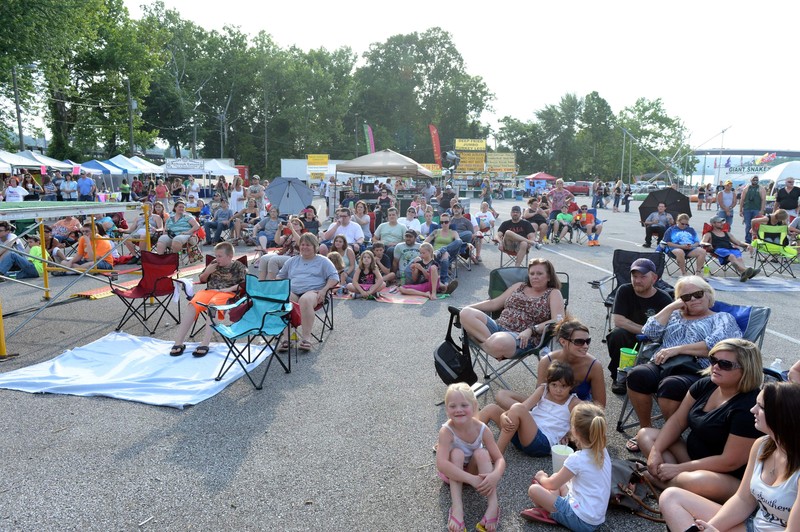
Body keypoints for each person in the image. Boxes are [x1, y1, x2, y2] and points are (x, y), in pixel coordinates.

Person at [636, 338, 764, 505]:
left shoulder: (748, 406)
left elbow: (729, 462)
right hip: (691, 458)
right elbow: (677, 421)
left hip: (725, 476)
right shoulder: (707, 384)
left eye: (725, 364)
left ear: (746, 370)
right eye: (713, 360)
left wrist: (678, 469)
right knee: (646, 435)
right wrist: (656, 452)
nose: (715, 367)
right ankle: (674, 482)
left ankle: (657, 479)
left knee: (699, 481)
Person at [660, 381, 800, 532]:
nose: (753, 410)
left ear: (781, 415)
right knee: (670, 497)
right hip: (753, 526)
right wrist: (710, 528)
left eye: (761, 407)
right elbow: (743, 500)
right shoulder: (762, 445)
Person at [625, 276, 742, 434]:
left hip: (696, 369)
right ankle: (645, 430)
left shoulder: (722, 318)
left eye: (698, 294)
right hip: (662, 363)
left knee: (670, 386)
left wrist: (678, 349)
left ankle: (670, 437)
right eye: (686, 297)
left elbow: (718, 347)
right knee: (636, 375)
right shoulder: (673, 315)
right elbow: (649, 332)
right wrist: (671, 307)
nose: (693, 299)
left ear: (708, 294)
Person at [521, 403, 611, 531]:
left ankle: (550, 513)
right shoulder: (602, 450)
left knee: (534, 490)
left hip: (581, 520)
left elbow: (551, 484)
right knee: (558, 477)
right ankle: (550, 507)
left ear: (574, 430)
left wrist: (541, 477)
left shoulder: (577, 459)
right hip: (594, 517)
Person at [460, 258, 564, 361]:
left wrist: (531, 329)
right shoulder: (519, 286)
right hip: (498, 326)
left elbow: (558, 319)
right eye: (532, 274)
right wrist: (467, 307)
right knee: (465, 313)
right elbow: (494, 303)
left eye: (539, 273)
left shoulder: (553, 293)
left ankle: (487, 344)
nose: (534, 277)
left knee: (498, 342)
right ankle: (492, 347)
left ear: (549, 276)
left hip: (521, 337)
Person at [436, 383, 505, 532]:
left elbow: (499, 459)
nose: (458, 410)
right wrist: (471, 479)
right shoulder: (446, 431)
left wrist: (495, 475)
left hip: (475, 473)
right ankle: (457, 508)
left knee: (482, 453)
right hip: (453, 473)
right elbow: (441, 464)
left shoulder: (482, 429)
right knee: (457, 453)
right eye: (452, 406)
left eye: (463, 405)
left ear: (474, 406)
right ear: (447, 409)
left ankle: (493, 505)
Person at [479, 361, 579, 456]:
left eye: (563, 386)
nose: (558, 390)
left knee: (518, 408)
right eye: (554, 385)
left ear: (571, 386)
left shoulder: (573, 402)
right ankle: (466, 442)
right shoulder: (543, 390)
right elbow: (525, 406)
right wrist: (503, 415)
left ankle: (497, 455)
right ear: (548, 383)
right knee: (491, 409)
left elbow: (587, 421)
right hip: (524, 434)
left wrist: (569, 434)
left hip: (542, 442)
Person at [168, 242, 247, 358]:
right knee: (192, 304)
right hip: (209, 291)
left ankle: (205, 343)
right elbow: (202, 279)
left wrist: (228, 289)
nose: (217, 259)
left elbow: (245, 283)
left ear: (230, 256)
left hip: (227, 293)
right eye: (216, 255)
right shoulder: (214, 264)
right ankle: (178, 342)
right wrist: (208, 271)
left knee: (213, 306)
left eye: (220, 256)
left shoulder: (239, 266)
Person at [607, 258, 673, 394]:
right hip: (629, 337)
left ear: (654, 278)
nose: (637, 280)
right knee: (616, 334)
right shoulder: (624, 290)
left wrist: (649, 334)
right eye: (634, 276)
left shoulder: (664, 299)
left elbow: (667, 330)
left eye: (643, 277)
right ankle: (619, 377)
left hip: (653, 341)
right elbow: (619, 321)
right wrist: (647, 330)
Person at [276, 233, 338, 352]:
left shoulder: (323, 261)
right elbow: (280, 277)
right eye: (302, 244)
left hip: (314, 292)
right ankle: (287, 337)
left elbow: (334, 277)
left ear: (315, 247)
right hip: (294, 291)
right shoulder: (292, 260)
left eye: (308, 245)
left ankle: (306, 338)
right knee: (284, 299)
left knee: (304, 300)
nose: (304, 247)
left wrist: (324, 290)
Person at [701, 215, 758, 282]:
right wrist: (707, 244)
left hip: (730, 249)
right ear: (713, 223)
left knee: (739, 257)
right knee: (731, 256)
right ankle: (745, 271)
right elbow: (702, 242)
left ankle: (743, 273)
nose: (722, 223)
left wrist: (748, 245)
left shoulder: (726, 233)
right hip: (719, 250)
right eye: (719, 222)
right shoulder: (709, 234)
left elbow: (738, 242)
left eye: (722, 222)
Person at [740, 175, 767, 244]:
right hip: (747, 209)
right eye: (753, 180)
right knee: (748, 225)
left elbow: (763, 200)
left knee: (757, 225)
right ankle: (748, 241)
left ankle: (756, 240)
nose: (755, 181)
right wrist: (741, 210)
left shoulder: (761, 188)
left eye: (756, 180)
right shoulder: (746, 188)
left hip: (757, 209)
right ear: (751, 180)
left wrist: (762, 210)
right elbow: (742, 199)